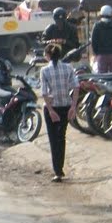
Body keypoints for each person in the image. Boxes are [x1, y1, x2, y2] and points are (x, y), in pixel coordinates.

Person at [39, 42, 79, 183]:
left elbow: (44, 93)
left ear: (48, 55)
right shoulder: (68, 68)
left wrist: (50, 110)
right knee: (61, 138)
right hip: (65, 107)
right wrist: (73, 107)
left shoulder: (44, 71)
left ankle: (57, 171)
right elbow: (76, 87)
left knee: (53, 140)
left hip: (52, 108)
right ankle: (59, 170)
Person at [90, 5, 112, 73]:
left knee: (102, 76)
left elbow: (94, 41)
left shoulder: (97, 26)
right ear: (111, 14)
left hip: (102, 54)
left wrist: (96, 53)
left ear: (101, 13)